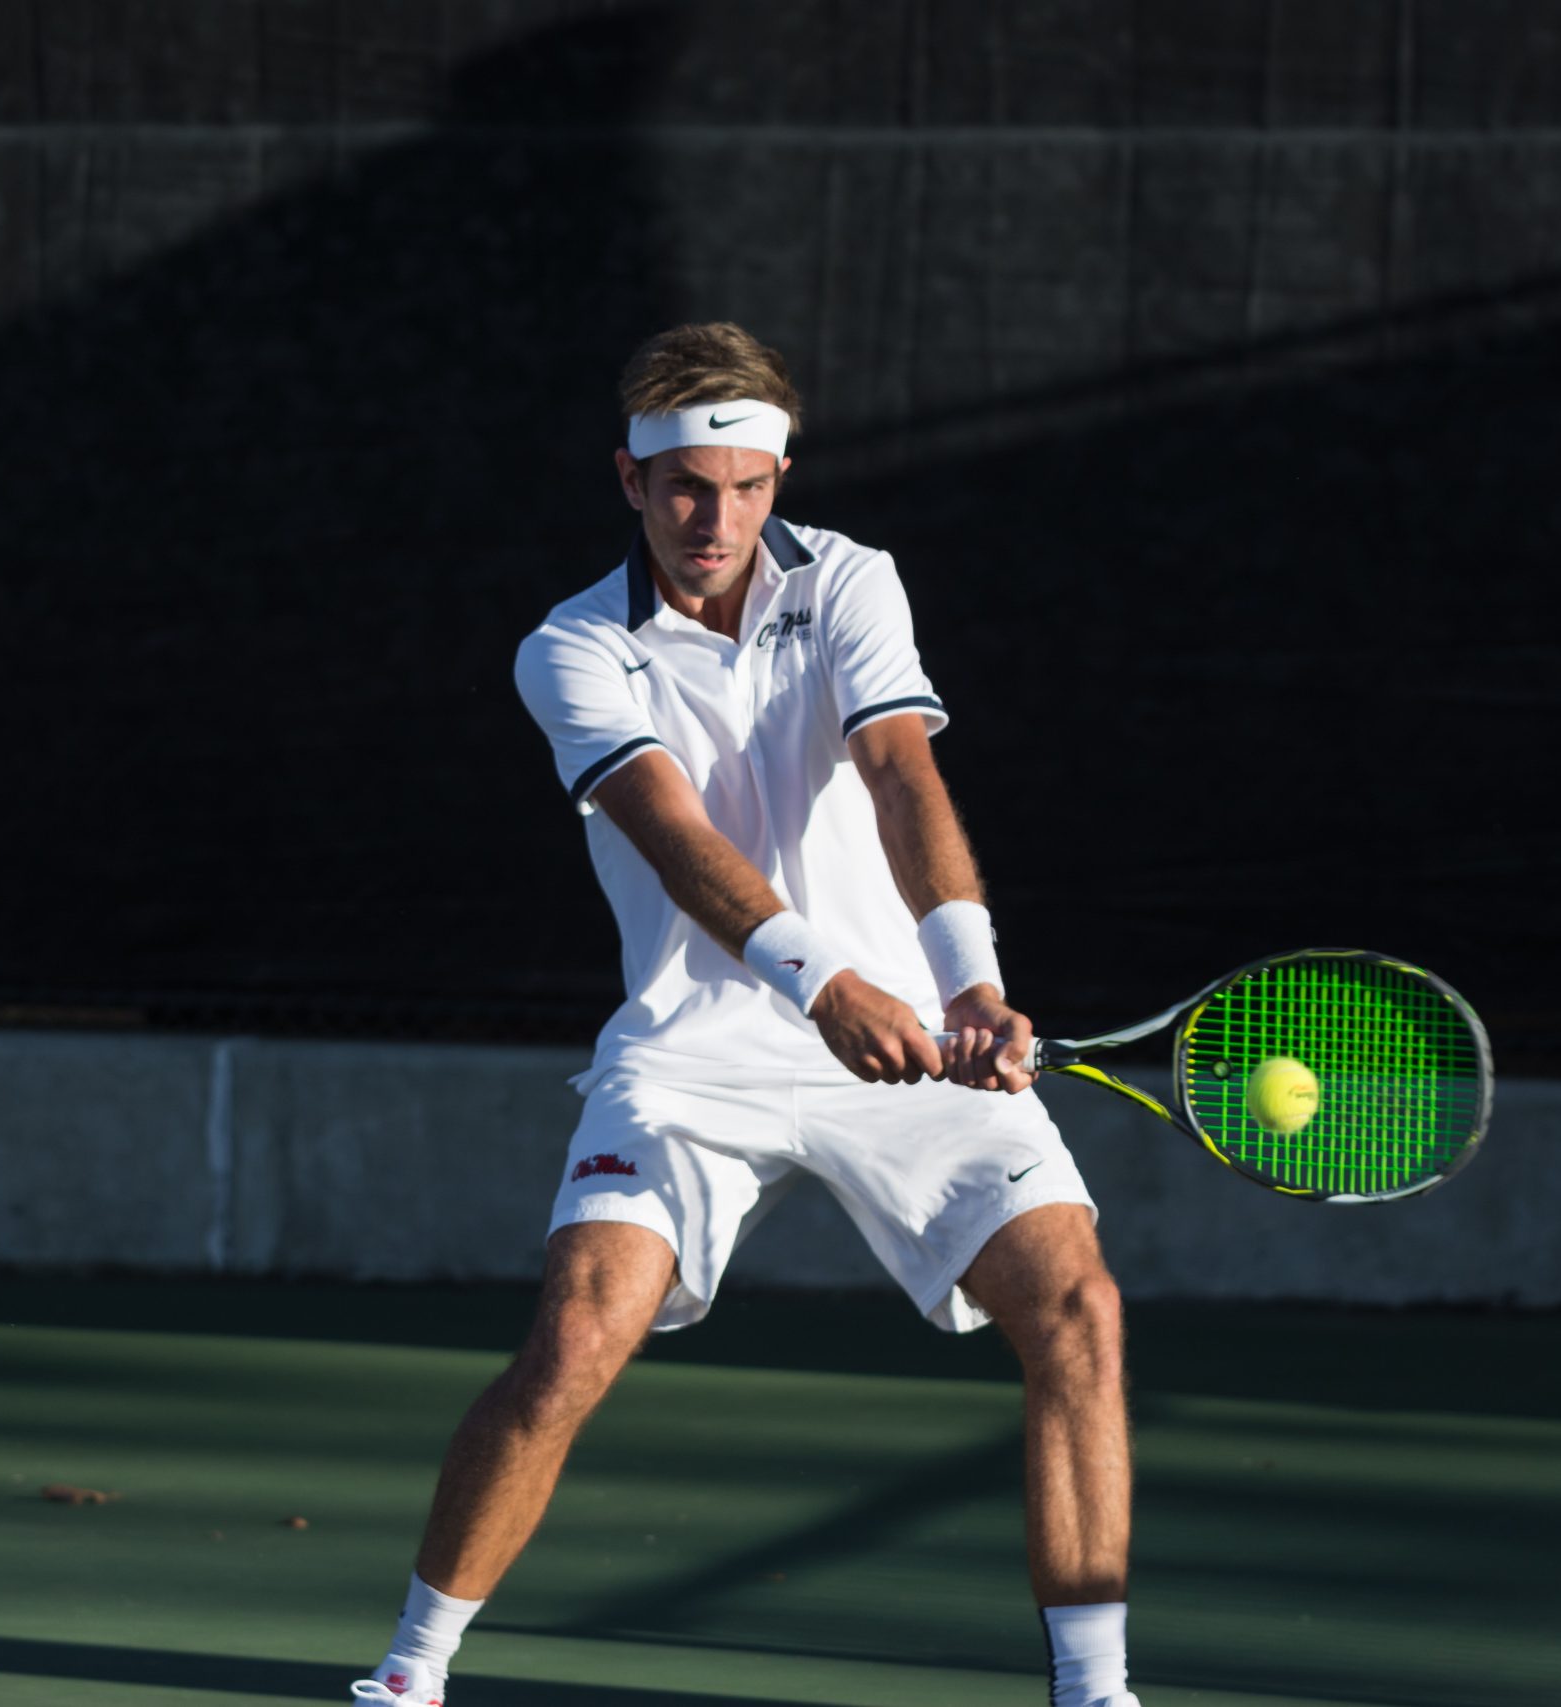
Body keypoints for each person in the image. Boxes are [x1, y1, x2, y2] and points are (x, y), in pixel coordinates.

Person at [352, 324, 1136, 1707]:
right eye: (684, 490)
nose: (716, 519)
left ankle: (1095, 1692)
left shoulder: (850, 583)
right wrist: (826, 988)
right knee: (574, 1338)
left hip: (914, 1033)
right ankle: (411, 1675)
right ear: (630, 481)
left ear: (781, 478)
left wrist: (968, 982)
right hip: (692, 1053)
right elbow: (671, 832)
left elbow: (900, 774)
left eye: (746, 487)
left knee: (1075, 1306)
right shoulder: (571, 648)